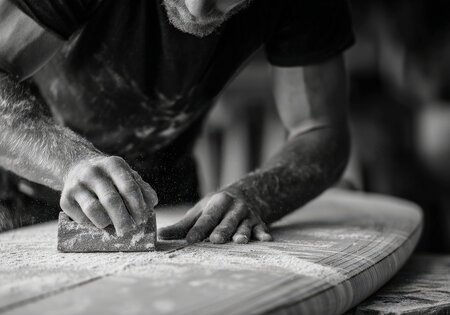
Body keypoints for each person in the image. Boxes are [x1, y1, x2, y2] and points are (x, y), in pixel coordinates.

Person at [0, 0, 354, 244]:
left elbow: (319, 129)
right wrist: (68, 160)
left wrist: (256, 195)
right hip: (16, 191)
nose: (197, 8)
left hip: (166, 203)